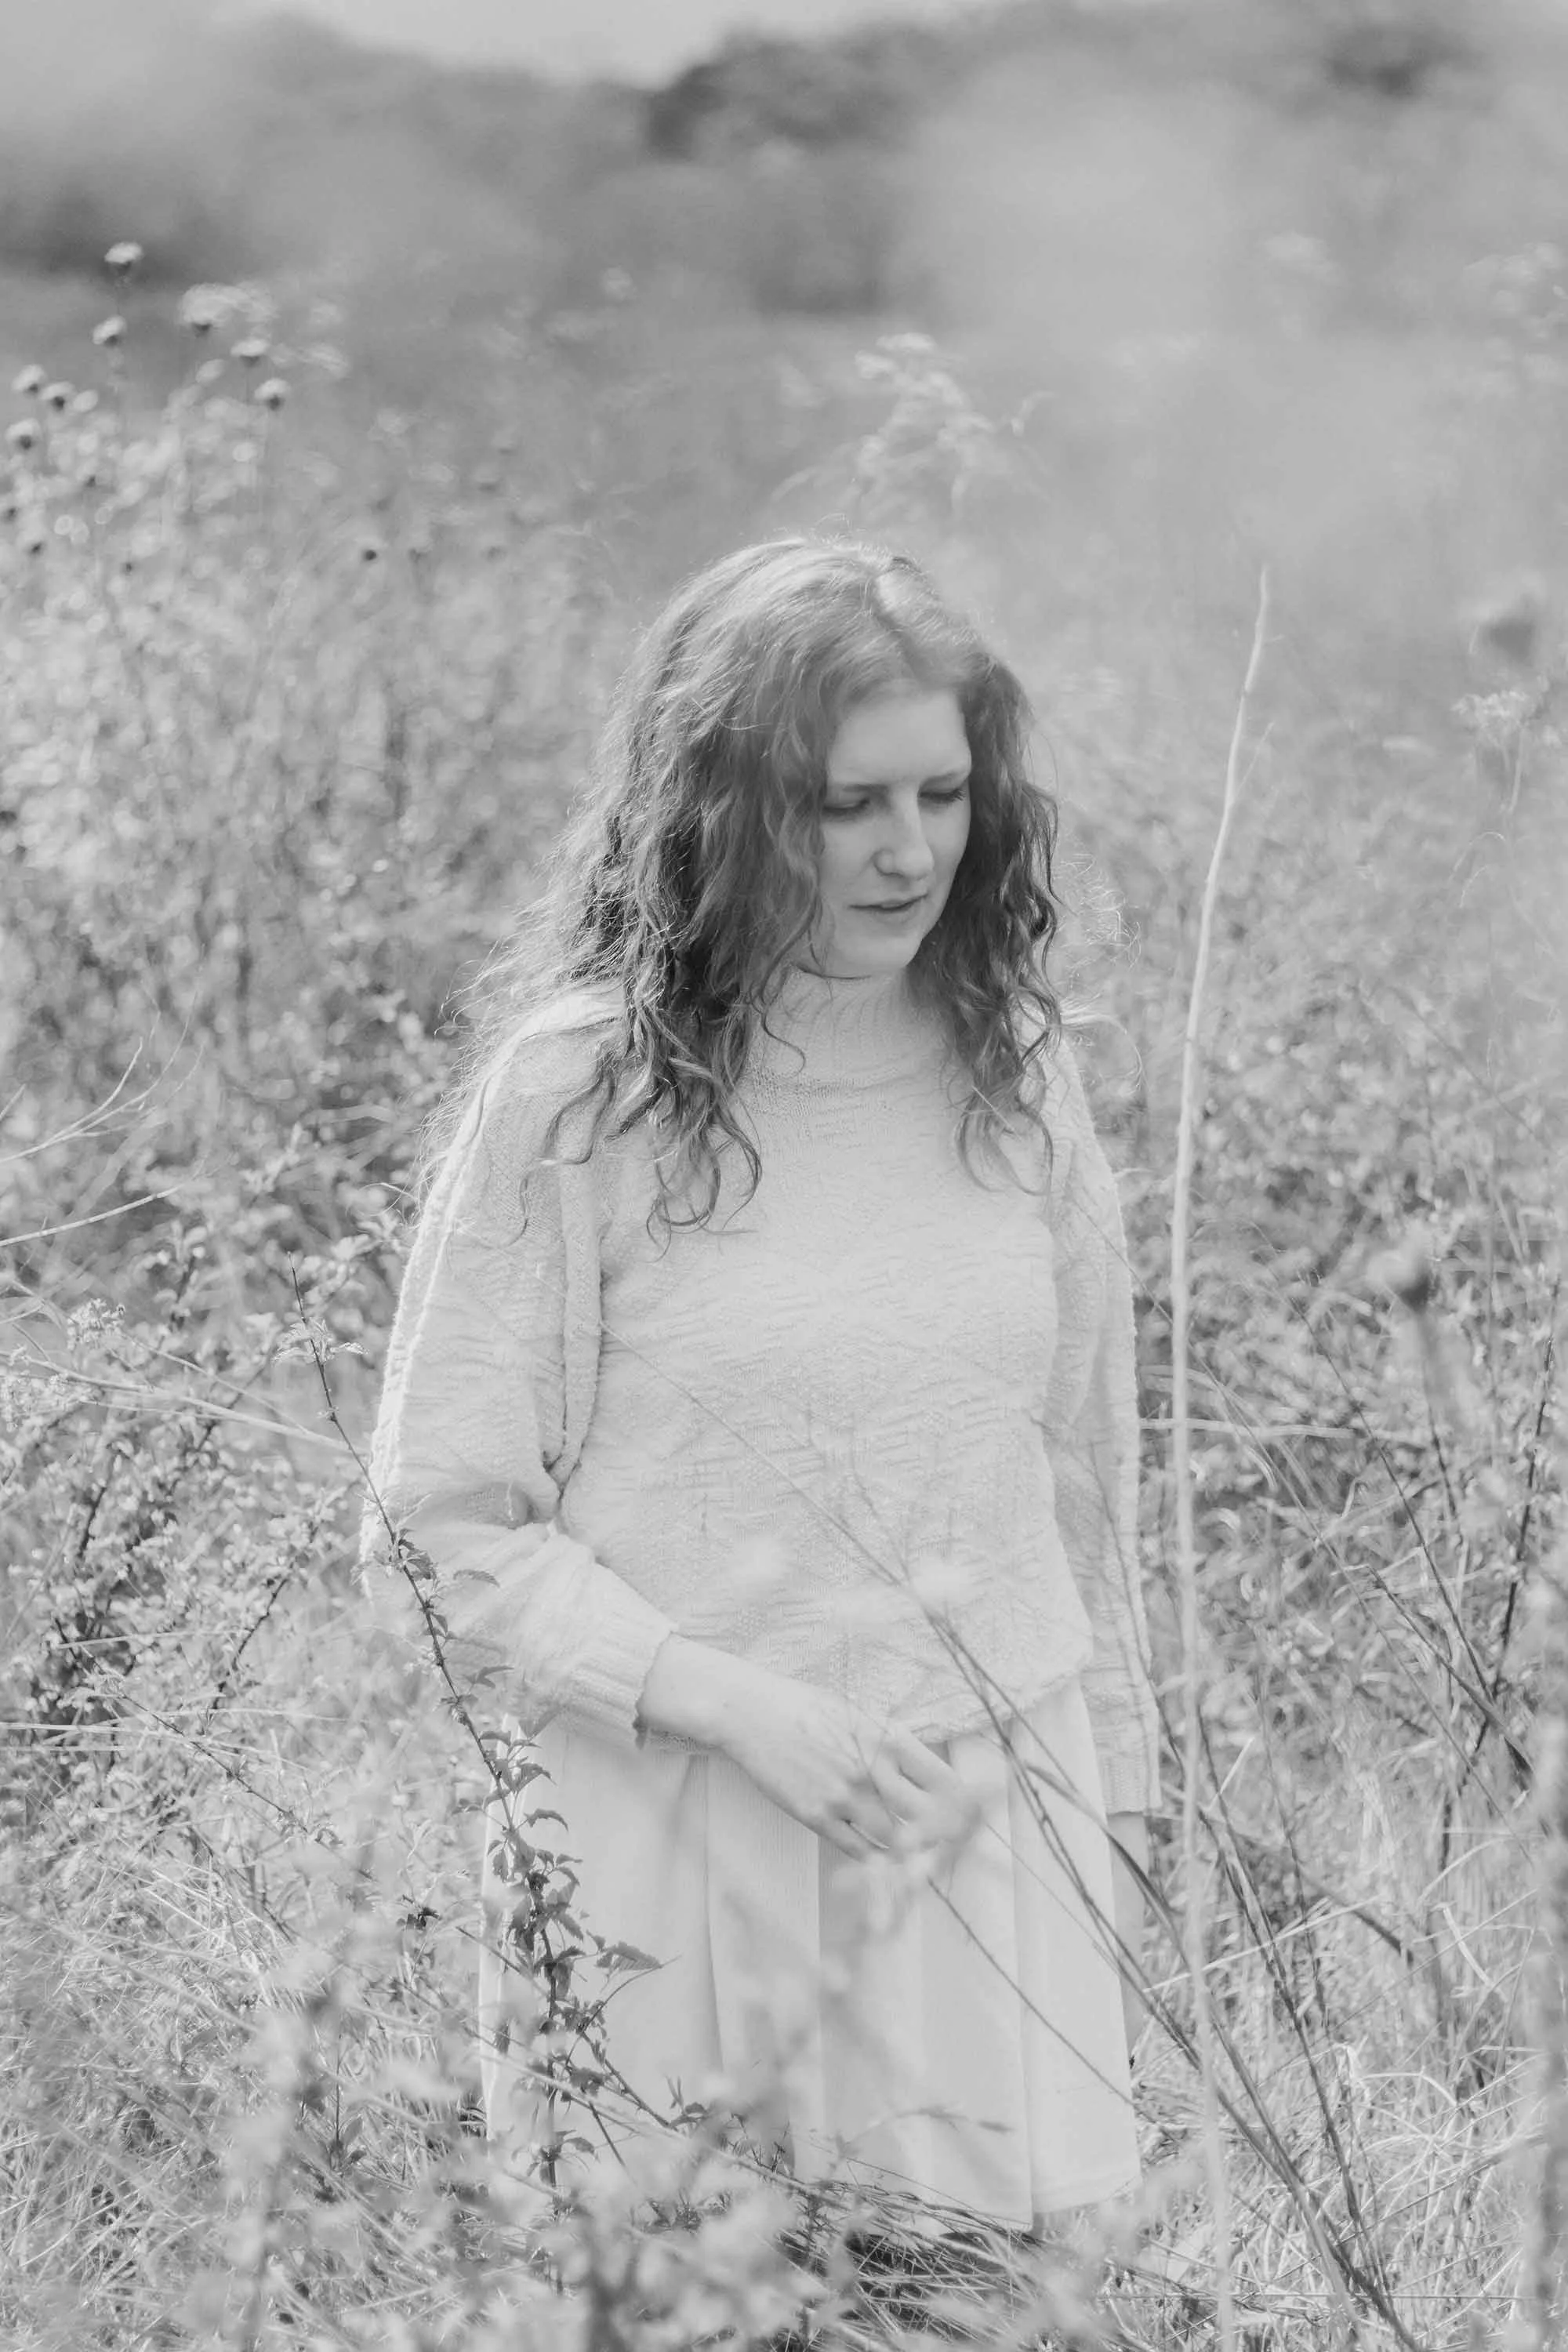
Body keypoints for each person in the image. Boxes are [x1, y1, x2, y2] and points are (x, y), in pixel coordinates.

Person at [361, 535, 1162, 2237]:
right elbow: (434, 1533)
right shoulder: (577, 1097)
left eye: (941, 794)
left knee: (987, 2312)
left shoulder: (1020, 1071)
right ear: (721, 804)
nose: (907, 852)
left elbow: (1081, 1481)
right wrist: (741, 1706)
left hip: (989, 1851)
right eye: (841, 802)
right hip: (674, 1845)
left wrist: (1125, 1822)